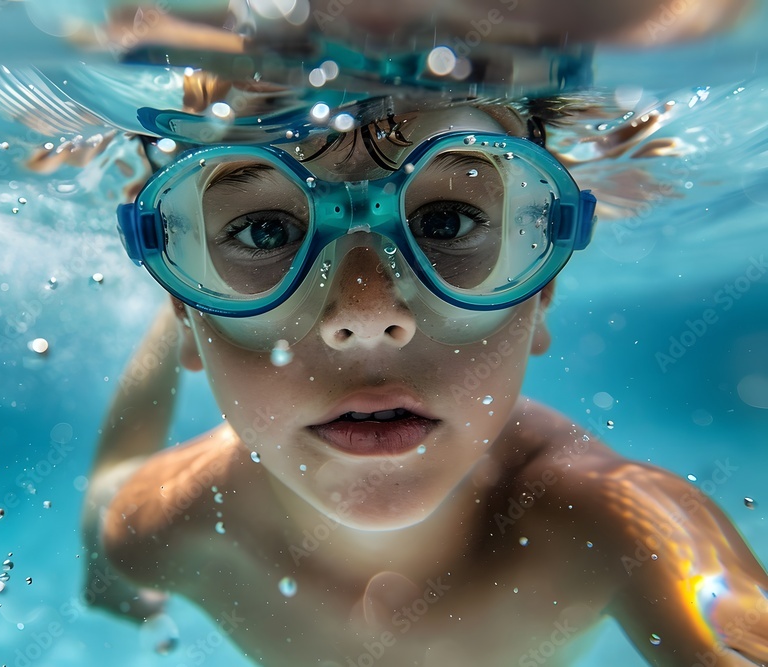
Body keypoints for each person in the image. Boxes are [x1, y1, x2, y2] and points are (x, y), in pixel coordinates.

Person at [79, 8, 768, 667]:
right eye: (266, 231)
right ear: (182, 307)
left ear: (543, 285)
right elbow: (105, 498)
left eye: (445, 222)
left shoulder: (625, 528)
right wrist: (107, 582)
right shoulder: (169, 523)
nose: (369, 310)